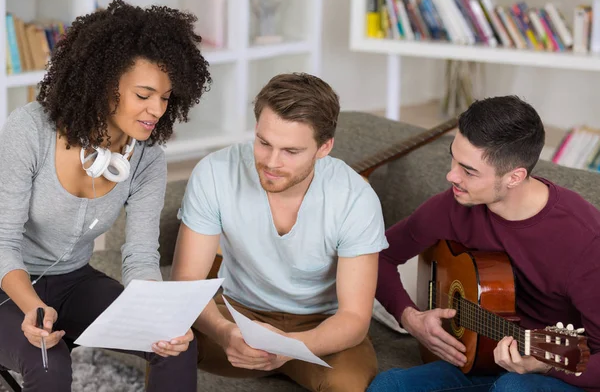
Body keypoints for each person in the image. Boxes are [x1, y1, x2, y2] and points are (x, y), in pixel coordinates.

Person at [0, 0, 212, 392]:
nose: (157, 110)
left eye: (165, 97)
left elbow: (141, 256)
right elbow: (3, 241)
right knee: (48, 362)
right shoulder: (30, 130)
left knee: (174, 346)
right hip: (7, 287)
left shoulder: (146, 158)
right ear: (103, 84)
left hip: (74, 280)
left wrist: (157, 318)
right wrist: (33, 308)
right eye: (144, 94)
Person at [171, 72, 389, 391]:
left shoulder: (355, 198)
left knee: (348, 386)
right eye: (263, 143)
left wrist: (287, 347)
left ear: (324, 147)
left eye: (291, 151)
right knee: (165, 337)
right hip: (238, 313)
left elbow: (354, 319)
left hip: (321, 327)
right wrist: (223, 332)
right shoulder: (215, 173)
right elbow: (187, 283)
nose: (271, 162)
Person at [367, 96, 600, 392]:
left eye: (469, 171)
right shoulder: (455, 206)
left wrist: (547, 364)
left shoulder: (586, 242)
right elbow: (378, 255)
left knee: (512, 388)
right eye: (453, 158)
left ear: (515, 177)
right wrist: (410, 317)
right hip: (483, 358)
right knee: (388, 385)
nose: (451, 175)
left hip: (555, 373)